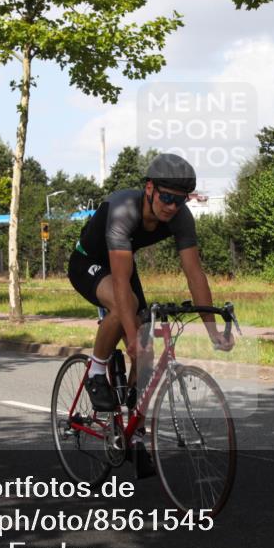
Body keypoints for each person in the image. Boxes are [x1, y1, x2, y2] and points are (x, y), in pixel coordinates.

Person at [68, 153, 234, 413]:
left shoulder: (181, 218)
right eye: (166, 197)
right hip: (87, 263)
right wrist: (131, 338)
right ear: (149, 189)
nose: (172, 206)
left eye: (180, 201)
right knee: (128, 310)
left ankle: (133, 430)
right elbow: (121, 283)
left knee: (146, 349)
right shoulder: (123, 209)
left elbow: (195, 275)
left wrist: (212, 330)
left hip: (121, 263)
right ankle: (96, 372)